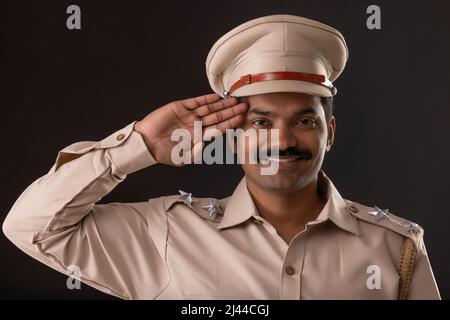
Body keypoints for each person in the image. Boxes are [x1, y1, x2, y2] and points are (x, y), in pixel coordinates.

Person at [3, 14, 440, 299]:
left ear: (331, 134)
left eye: (305, 121)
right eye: (261, 122)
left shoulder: (395, 247)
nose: (282, 141)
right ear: (232, 132)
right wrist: (136, 147)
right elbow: (31, 227)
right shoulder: (167, 234)